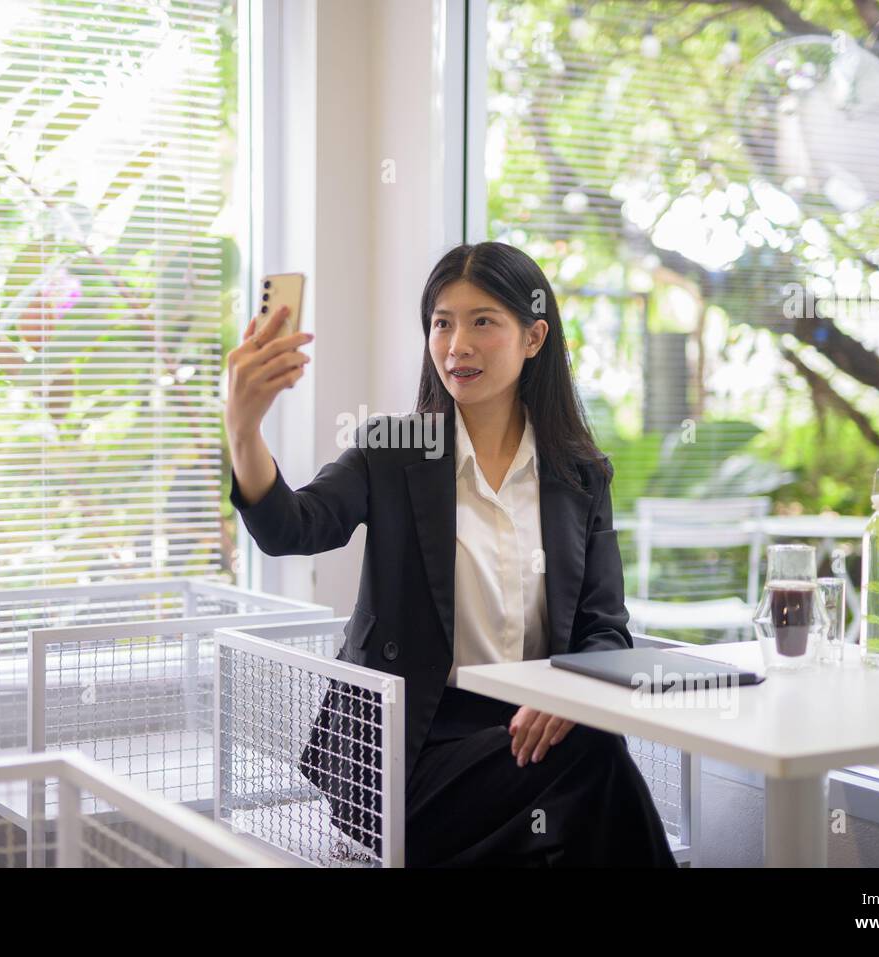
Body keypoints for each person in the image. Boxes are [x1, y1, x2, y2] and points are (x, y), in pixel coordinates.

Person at [224, 241, 677, 868]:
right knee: (595, 758)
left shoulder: (579, 477)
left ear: (534, 336)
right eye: (442, 323)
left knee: (585, 764)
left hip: (530, 736)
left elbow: (605, 629)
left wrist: (568, 691)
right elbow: (292, 528)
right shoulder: (392, 451)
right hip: (402, 755)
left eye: (482, 321)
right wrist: (244, 430)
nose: (456, 344)